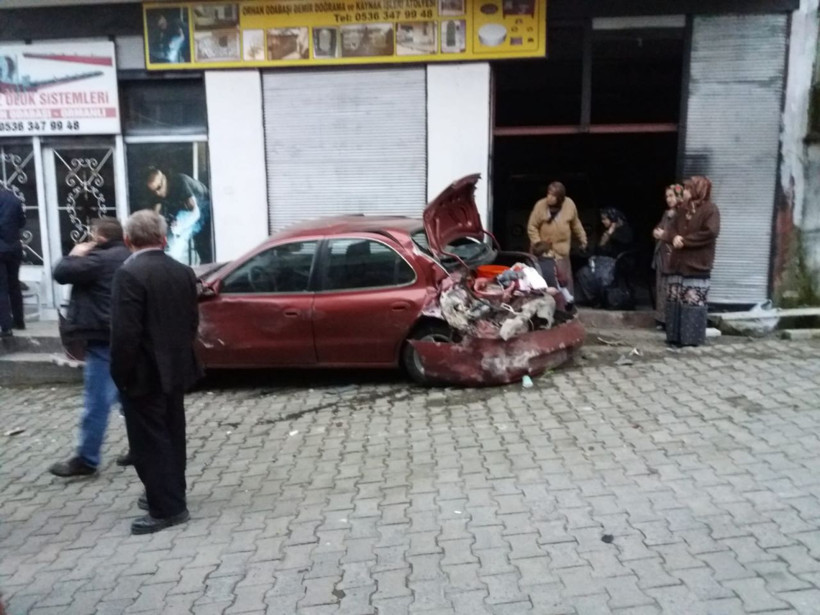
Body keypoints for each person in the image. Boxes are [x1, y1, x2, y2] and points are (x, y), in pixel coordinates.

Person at [111, 210, 202, 535]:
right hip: (175, 366)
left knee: (149, 441)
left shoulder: (129, 274)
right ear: (163, 238)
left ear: (128, 240)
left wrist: (119, 373)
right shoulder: (182, 271)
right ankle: (171, 492)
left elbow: (125, 333)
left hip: (144, 372)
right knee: (172, 433)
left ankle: (167, 507)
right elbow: (191, 321)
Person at [48, 218, 131, 477]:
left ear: (99, 236)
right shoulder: (128, 256)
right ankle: (143, 445)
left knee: (96, 401)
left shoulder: (98, 259)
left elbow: (61, 273)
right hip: (125, 336)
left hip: (102, 336)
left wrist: (75, 253)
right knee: (128, 396)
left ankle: (86, 458)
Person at [659, 176, 720, 346]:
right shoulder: (682, 209)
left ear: (698, 190)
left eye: (688, 189)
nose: (684, 192)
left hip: (696, 265)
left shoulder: (710, 210)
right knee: (675, 301)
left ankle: (691, 339)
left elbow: (710, 232)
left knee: (692, 302)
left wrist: (686, 241)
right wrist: (674, 237)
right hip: (678, 263)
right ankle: (674, 337)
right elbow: (671, 229)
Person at [527, 181, 588, 292]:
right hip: (543, 253)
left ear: (560, 197)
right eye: (548, 194)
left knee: (564, 283)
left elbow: (576, 223)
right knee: (541, 283)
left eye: (553, 195)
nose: (549, 197)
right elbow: (532, 227)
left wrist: (582, 239)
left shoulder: (569, 204)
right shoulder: (540, 205)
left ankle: (565, 302)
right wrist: (538, 244)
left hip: (561, 252)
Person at [146, 166, 211, 266]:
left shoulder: (180, 182)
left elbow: (195, 212)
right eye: (154, 191)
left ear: (164, 179)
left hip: (204, 206)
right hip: (186, 211)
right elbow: (155, 217)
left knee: (181, 243)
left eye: (159, 188)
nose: (158, 193)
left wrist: (180, 226)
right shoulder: (158, 192)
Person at [575, 208, 634, 307]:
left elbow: (624, 244)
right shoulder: (606, 232)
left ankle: (607, 299)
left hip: (618, 263)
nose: (603, 221)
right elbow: (600, 248)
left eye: (605, 219)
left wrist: (611, 232)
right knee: (583, 273)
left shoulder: (625, 231)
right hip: (603, 262)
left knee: (602, 276)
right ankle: (593, 299)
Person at [652, 184, 683, 329]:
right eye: (667, 196)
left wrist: (663, 235)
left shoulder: (682, 214)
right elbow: (659, 228)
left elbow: (680, 234)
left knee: (671, 288)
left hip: (673, 256)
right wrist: (656, 232)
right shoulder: (667, 214)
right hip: (662, 254)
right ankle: (661, 319)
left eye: (672, 196)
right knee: (661, 287)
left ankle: (670, 319)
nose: (669, 199)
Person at [0, 187, 25, 338]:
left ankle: (6, 327)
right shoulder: (13, 199)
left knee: (1, 288)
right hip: (14, 247)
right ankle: (19, 320)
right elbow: (22, 222)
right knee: (14, 284)